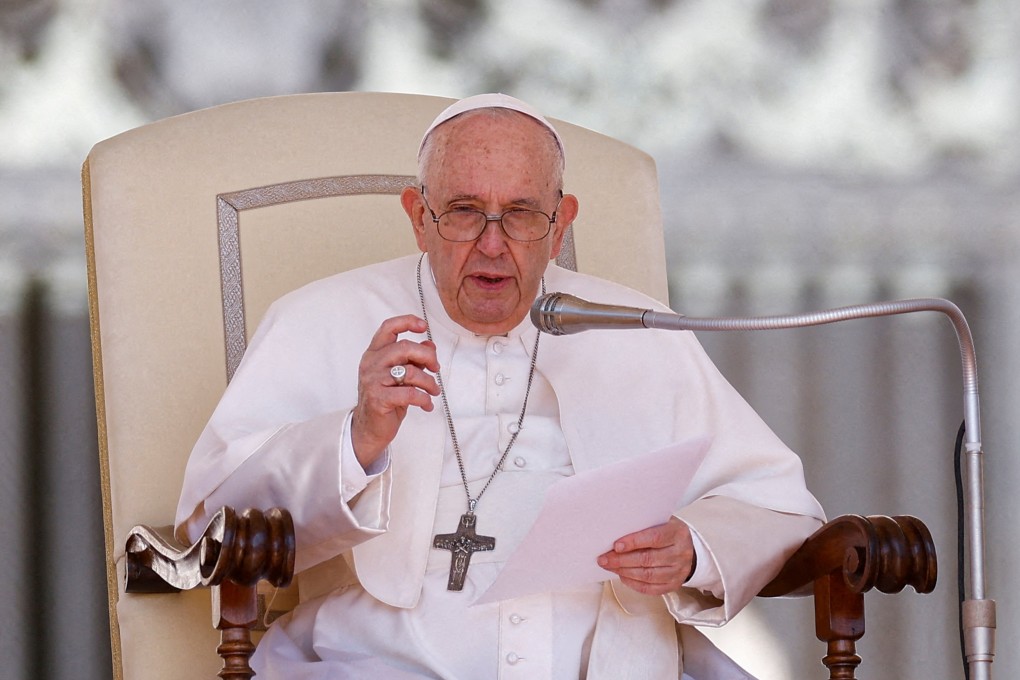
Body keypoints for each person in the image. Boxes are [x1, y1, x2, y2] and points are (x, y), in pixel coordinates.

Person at [176, 93, 825, 679]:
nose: (492, 245)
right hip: (383, 664)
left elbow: (778, 507)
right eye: (464, 212)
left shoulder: (637, 330)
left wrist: (695, 549)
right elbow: (212, 518)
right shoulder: (321, 319)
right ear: (417, 216)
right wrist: (356, 437)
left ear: (560, 223)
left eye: (520, 214)